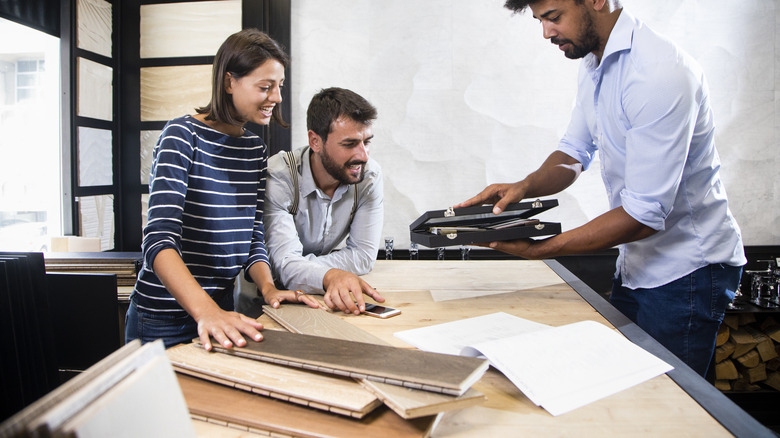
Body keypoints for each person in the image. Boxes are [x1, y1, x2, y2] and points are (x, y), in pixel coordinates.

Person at [457, 0, 746, 376]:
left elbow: (642, 216)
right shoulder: (596, 61)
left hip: (687, 270)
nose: (546, 32)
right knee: (626, 384)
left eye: (553, 17)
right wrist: (524, 186)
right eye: (540, 20)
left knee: (671, 408)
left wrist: (542, 250)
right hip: (637, 264)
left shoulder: (659, 74)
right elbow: (575, 151)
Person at [126, 28, 311, 351]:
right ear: (229, 83)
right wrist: (206, 312)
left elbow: (251, 234)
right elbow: (158, 241)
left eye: (279, 86)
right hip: (164, 318)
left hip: (221, 313)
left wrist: (268, 288)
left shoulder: (253, 148)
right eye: (265, 87)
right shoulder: (182, 136)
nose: (277, 98)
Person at [256, 87, 385, 315]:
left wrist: (307, 270)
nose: (363, 155)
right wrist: (329, 275)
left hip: (321, 300)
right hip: (269, 301)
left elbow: (364, 257)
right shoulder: (280, 177)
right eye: (350, 144)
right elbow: (284, 267)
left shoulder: (369, 176)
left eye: (367, 142)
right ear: (315, 141)